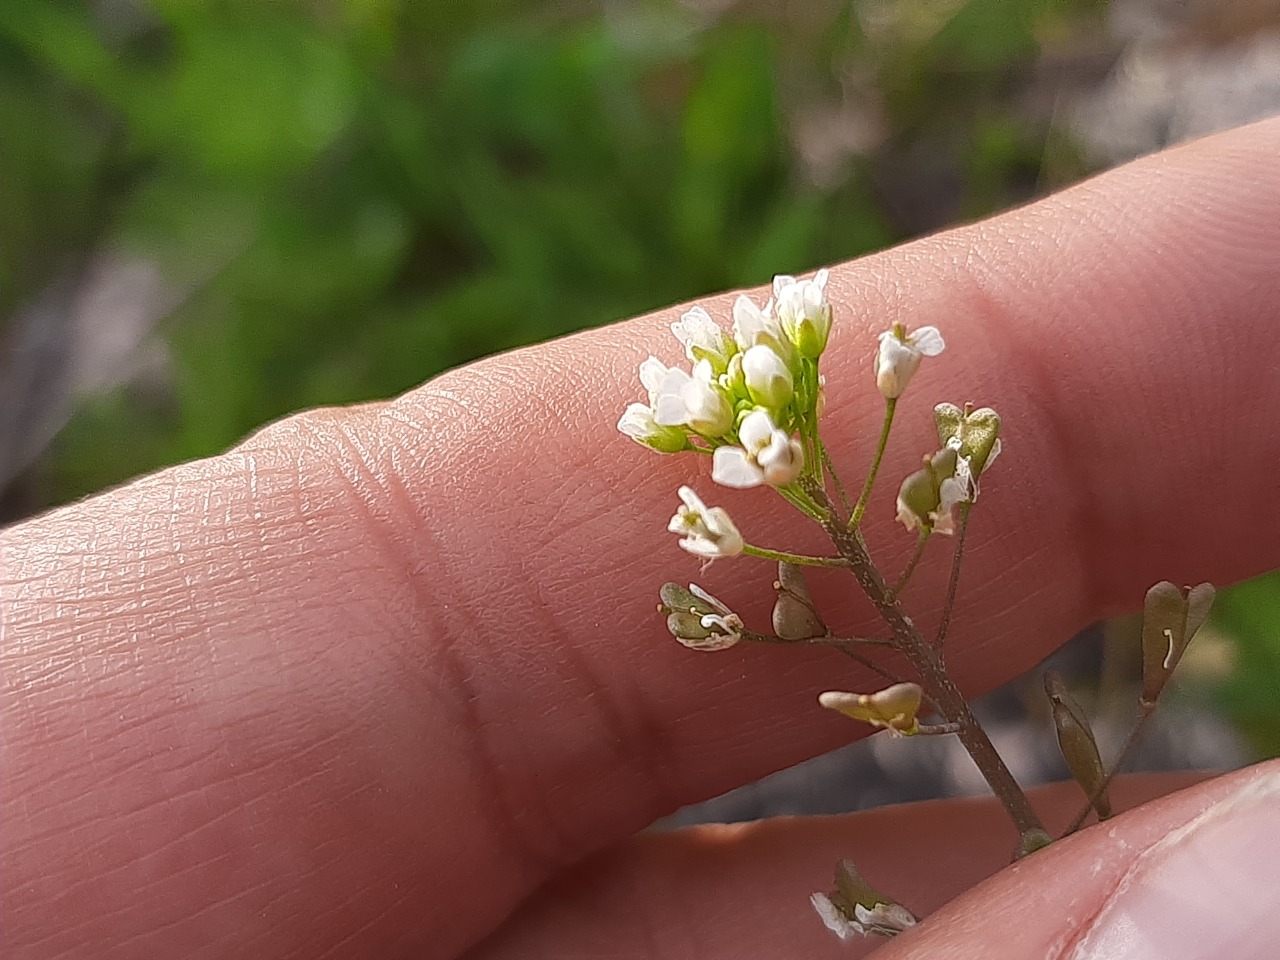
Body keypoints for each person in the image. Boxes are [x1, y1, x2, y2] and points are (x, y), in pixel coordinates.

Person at [4, 118, 1279, 960]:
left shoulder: (853, 430)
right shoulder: (762, 478)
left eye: (776, 450)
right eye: (760, 458)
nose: (780, 463)